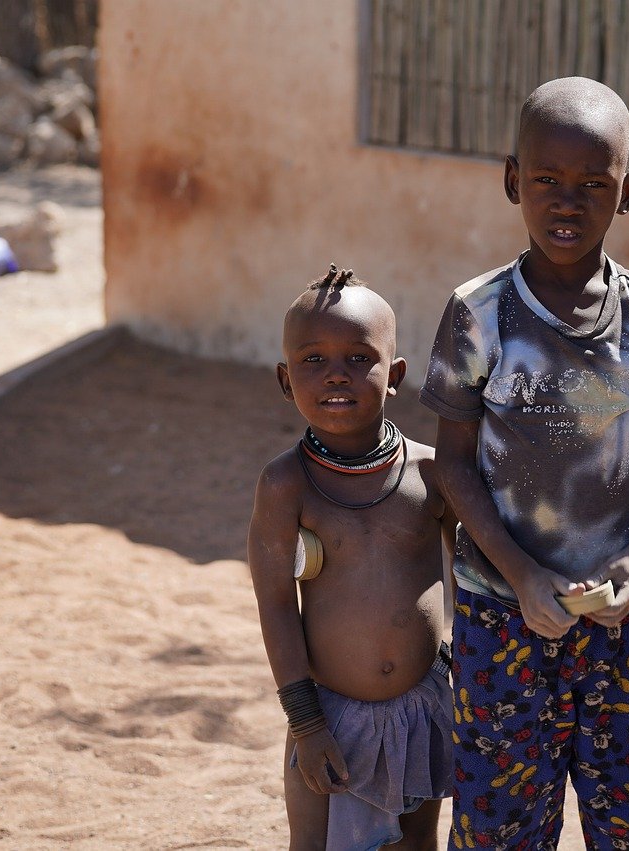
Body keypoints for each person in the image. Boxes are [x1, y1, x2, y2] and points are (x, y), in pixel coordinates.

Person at [421, 77, 629, 849]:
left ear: (628, 191)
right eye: (546, 179)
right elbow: (452, 465)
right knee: (500, 827)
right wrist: (521, 574)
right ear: (512, 178)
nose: (567, 201)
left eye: (594, 183)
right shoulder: (477, 314)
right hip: (501, 614)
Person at [249, 265, 457, 850]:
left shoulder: (430, 473)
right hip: (329, 717)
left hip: (423, 708)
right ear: (286, 380)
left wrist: (460, 664)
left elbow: (472, 577)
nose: (336, 374)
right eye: (313, 360)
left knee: (416, 845)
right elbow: (275, 606)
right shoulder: (285, 485)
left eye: (358, 358)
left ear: (394, 376)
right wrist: (306, 723)